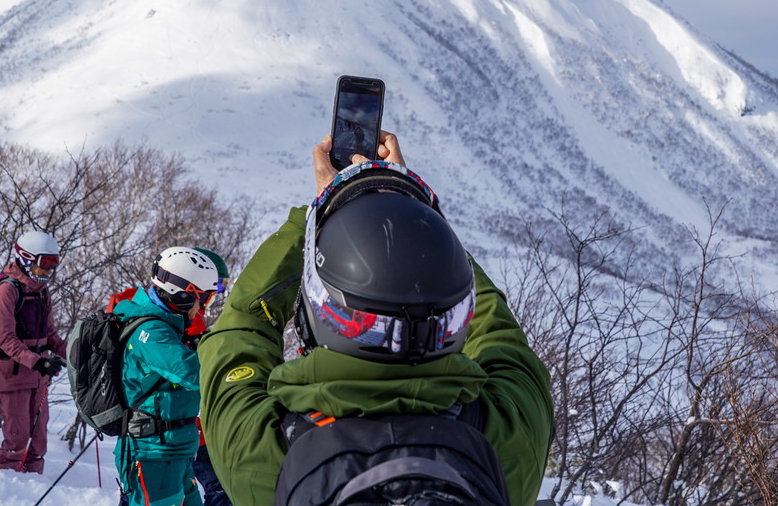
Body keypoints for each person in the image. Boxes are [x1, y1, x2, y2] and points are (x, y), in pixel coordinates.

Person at [196, 132, 554, 506]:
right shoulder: (511, 436)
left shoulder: (263, 450)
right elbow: (498, 331)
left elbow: (240, 329)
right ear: (456, 318)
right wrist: (411, 215)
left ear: (321, 313)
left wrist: (321, 211)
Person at [113, 246, 218, 506]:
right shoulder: (151, 332)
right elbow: (194, 373)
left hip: (175, 449)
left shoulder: (170, 328)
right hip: (152, 453)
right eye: (203, 298)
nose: (203, 307)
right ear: (182, 295)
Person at [0, 230, 68, 473]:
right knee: (17, 439)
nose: (48, 271)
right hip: (12, 378)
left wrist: (74, 356)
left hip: (38, 377)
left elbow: (50, 335)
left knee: (39, 440)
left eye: (53, 264)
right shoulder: (7, 291)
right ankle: (9, 487)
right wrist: (38, 362)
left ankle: (34, 483)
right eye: (44, 263)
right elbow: (6, 339)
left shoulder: (42, 291)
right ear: (26, 258)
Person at [188, 247, 232, 506]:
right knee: (221, 488)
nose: (217, 295)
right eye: (216, 287)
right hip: (187, 429)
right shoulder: (191, 321)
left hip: (185, 427)